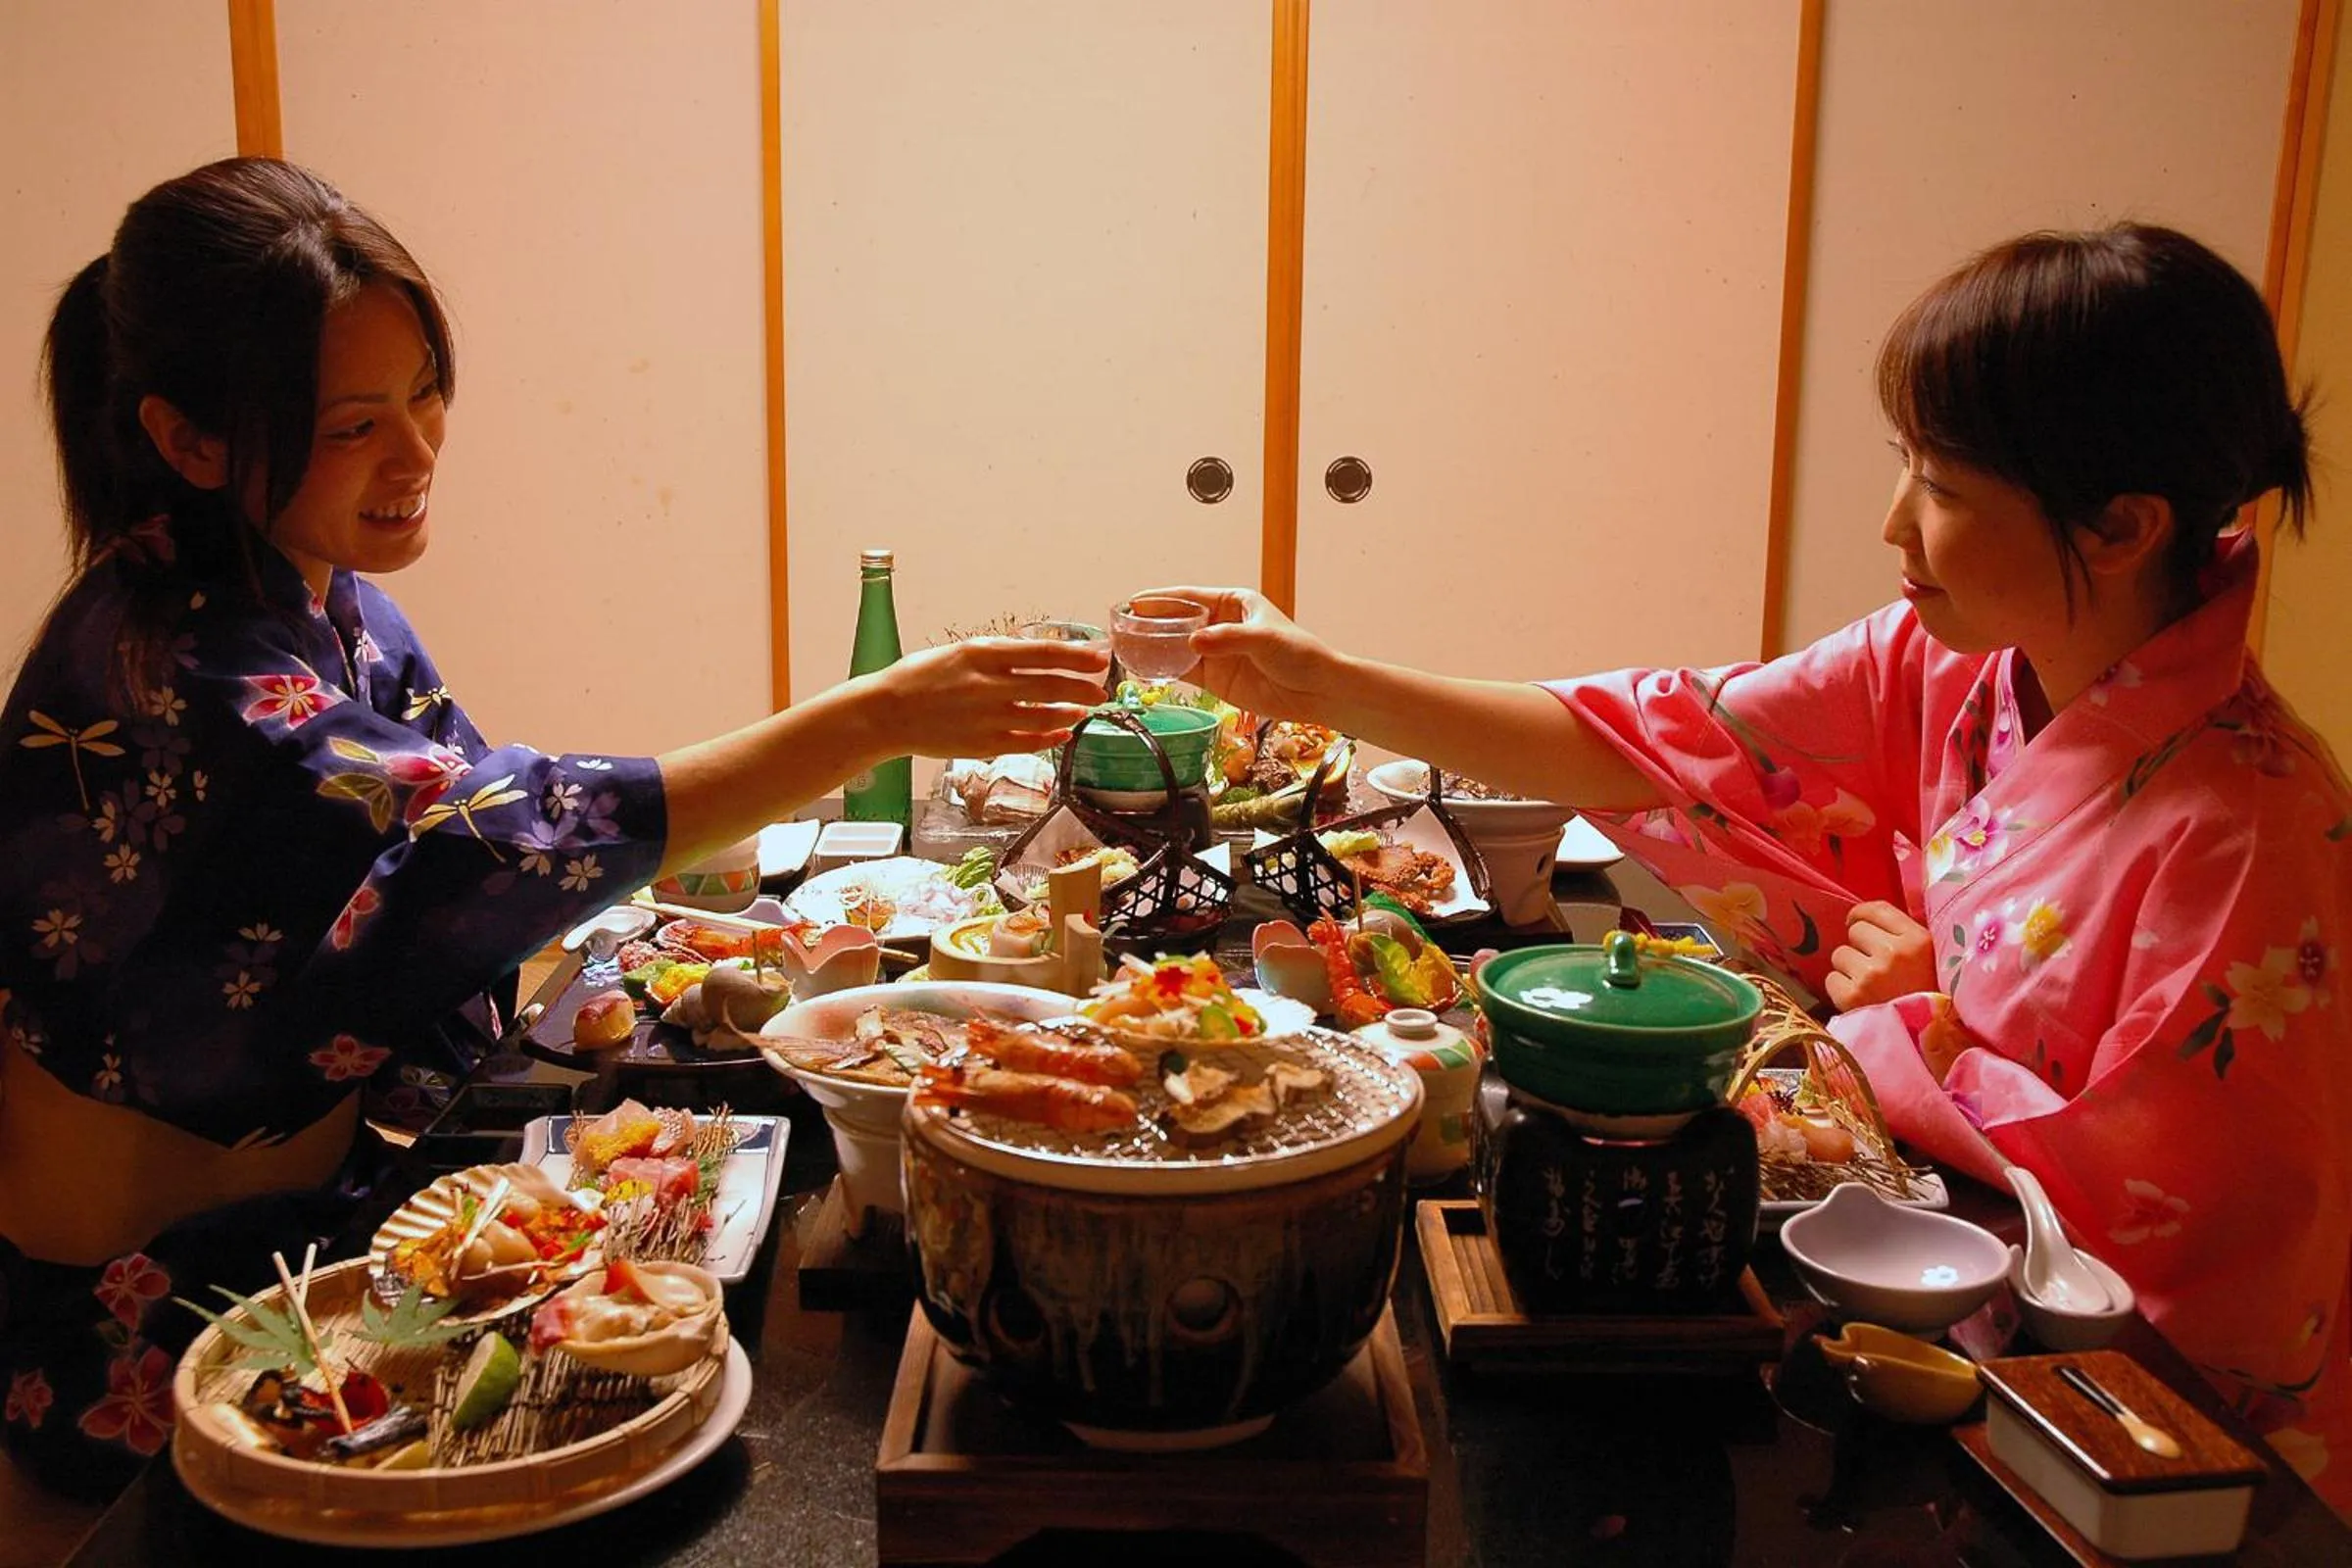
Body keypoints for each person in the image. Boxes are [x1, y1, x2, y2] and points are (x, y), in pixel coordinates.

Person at [1160, 223, 2352, 1507]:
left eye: (1945, 489)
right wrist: (1317, 678)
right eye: (1907, 466)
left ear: (2120, 525)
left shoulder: (2248, 829)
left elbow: (2175, 1226)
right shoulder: (1960, 660)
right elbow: (1653, 735)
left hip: (2127, 1432)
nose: (1896, 521)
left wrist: (1915, 1030)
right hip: (1927, 1287)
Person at [0, 158, 1104, 1495]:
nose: (415, 455)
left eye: (423, 394)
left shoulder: (306, 589)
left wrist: (700, 866)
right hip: (154, 1302)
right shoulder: (169, 665)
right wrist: (869, 722)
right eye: (354, 426)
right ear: (190, 441)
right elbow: (491, 838)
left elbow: (477, 822)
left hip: (289, 1216)